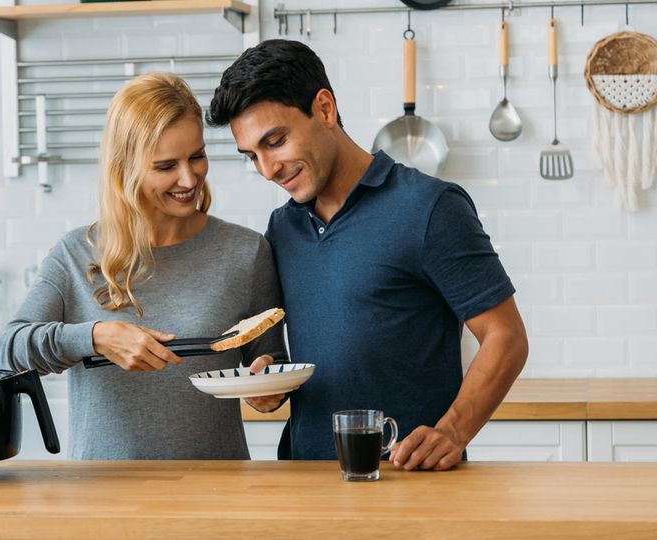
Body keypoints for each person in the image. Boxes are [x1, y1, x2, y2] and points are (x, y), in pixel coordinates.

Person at [207, 39, 529, 471]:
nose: (267, 169)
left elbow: (505, 336)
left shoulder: (430, 208)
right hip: (304, 478)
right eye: (252, 156)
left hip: (409, 479)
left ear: (324, 109)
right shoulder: (282, 228)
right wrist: (270, 380)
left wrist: (453, 431)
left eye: (276, 141)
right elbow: (299, 355)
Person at [0, 72, 287, 460]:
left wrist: (269, 387)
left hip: (218, 494)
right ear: (125, 169)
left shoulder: (246, 251)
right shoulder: (75, 254)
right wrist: (95, 337)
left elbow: (270, 363)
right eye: (166, 166)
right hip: (104, 499)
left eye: (197, 157)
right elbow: (11, 349)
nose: (189, 178)